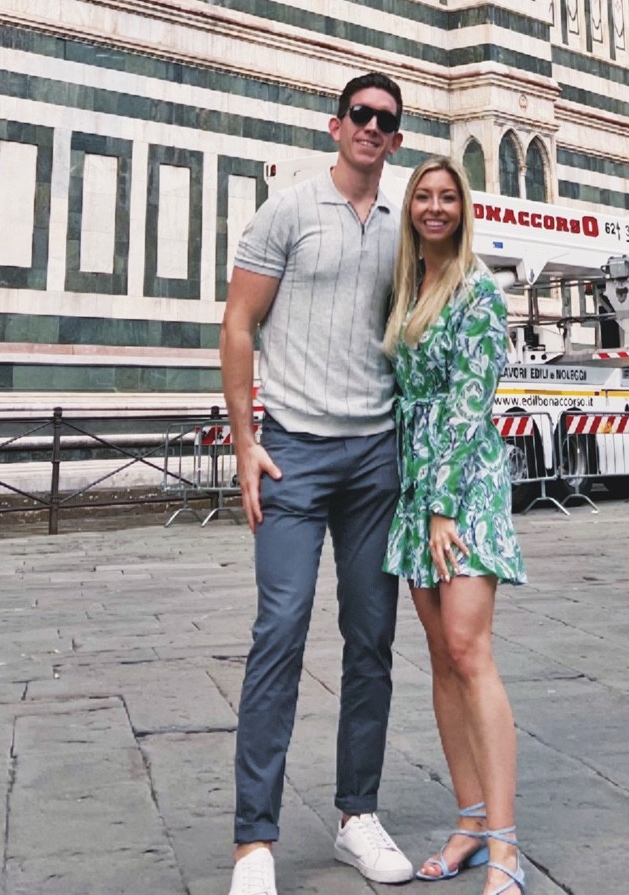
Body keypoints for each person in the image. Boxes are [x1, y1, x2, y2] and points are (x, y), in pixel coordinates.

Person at [223, 73, 415, 895]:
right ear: (336, 126)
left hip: (375, 458)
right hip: (295, 454)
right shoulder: (290, 211)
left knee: (372, 641)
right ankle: (253, 843)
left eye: (386, 121)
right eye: (360, 116)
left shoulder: (406, 225)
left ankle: (357, 817)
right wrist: (244, 442)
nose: (372, 129)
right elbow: (237, 324)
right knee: (281, 630)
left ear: (395, 139)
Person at [382, 159, 525, 895]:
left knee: (471, 654)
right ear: (410, 209)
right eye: (423, 198)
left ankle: (504, 844)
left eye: (447, 199)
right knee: (441, 660)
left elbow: (471, 405)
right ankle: (469, 820)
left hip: (461, 492)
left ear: (463, 210)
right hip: (416, 492)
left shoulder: (477, 293)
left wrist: (441, 505)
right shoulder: (409, 289)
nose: (434, 208)